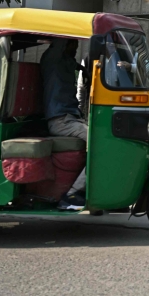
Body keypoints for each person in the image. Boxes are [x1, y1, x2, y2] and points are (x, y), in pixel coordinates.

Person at [41, 39, 86, 210]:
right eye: (72, 45)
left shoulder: (68, 61)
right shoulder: (52, 58)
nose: (75, 49)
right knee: (100, 144)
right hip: (60, 120)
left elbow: (76, 65)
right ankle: (74, 194)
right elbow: (60, 43)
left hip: (71, 118)